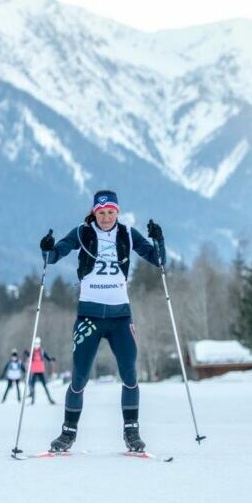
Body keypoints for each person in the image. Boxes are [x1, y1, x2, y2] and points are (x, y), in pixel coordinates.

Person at [38, 189, 165, 453]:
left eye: (111, 213)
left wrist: (159, 240)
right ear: (94, 212)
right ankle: (67, 434)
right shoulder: (82, 233)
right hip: (89, 317)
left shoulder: (128, 234)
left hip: (120, 317)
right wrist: (47, 248)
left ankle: (132, 432)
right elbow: (53, 256)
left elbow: (158, 259)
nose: (106, 218)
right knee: (79, 377)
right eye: (101, 213)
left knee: (130, 374)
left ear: (117, 212)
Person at [26, 337, 56, 405]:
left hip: (40, 371)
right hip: (33, 371)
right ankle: (32, 400)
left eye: (38, 344)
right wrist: (27, 353)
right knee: (32, 385)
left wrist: (52, 359)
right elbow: (27, 356)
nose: (36, 345)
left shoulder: (42, 351)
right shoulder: (31, 352)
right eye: (35, 344)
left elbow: (48, 358)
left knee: (44, 385)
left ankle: (50, 399)